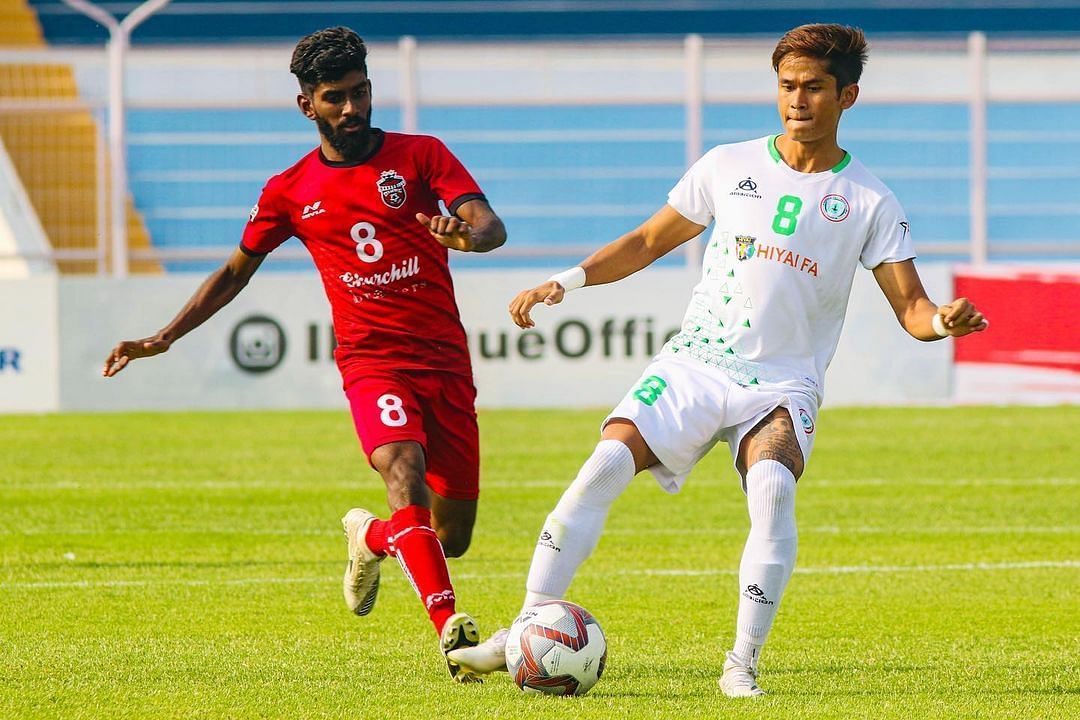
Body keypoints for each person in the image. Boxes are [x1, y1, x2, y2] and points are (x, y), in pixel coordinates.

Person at [449, 23, 987, 696]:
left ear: (847, 95)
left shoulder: (872, 201)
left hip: (781, 384)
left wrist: (943, 320)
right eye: (787, 86)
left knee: (772, 490)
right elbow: (647, 240)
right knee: (604, 466)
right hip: (696, 364)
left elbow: (913, 309)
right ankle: (526, 628)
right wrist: (569, 280)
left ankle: (740, 666)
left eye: (814, 88)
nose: (797, 101)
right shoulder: (728, 165)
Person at [102, 26, 506, 683]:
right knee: (403, 468)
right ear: (307, 106)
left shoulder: (422, 156)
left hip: (444, 364)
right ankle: (453, 635)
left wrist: (465, 235)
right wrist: (165, 335)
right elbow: (235, 271)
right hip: (372, 360)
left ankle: (371, 537)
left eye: (361, 93)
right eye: (336, 98)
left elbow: (490, 225)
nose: (353, 108)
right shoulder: (290, 189)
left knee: (448, 536)